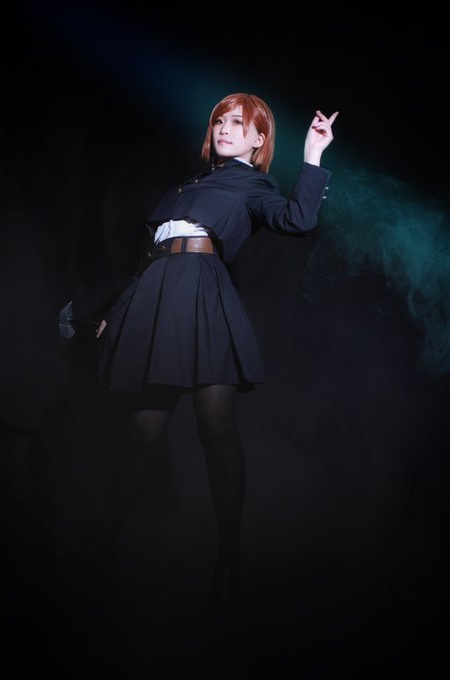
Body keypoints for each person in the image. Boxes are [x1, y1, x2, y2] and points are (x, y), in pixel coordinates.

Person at [95, 93, 338, 612]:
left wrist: (313, 154)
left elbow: (298, 219)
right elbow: (146, 261)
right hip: (154, 298)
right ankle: (105, 554)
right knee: (140, 437)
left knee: (216, 428)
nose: (225, 128)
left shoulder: (252, 184)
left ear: (258, 140)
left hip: (203, 295)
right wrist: (115, 312)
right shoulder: (184, 187)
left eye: (238, 123)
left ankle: (229, 559)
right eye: (220, 121)